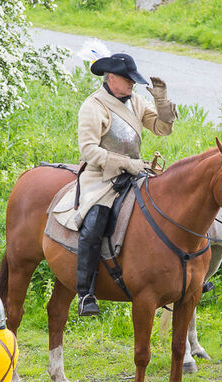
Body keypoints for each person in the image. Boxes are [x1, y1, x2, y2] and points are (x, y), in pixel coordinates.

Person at [55, 52, 177, 316]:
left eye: (133, 80)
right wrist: (125, 163)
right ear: (111, 78)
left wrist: (161, 101)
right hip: (101, 177)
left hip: (136, 172)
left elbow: (162, 129)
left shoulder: (137, 102)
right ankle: (86, 293)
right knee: (94, 224)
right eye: (127, 79)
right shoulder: (93, 106)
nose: (132, 83)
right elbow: (89, 151)